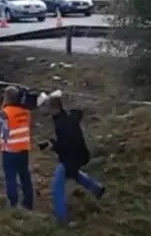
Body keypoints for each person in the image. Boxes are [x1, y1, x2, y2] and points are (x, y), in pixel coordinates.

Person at [39, 95, 106, 224]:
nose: (44, 110)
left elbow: (67, 144)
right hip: (79, 155)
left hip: (72, 157)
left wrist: (54, 147)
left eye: (46, 107)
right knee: (73, 173)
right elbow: (69, 138)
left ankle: (62, 218)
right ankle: (97, 189)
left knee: (57, 186)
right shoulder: (64, 118)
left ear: (53, 108)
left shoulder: (61, 123)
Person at [0, 86, 34, 210]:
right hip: (23, 148)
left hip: (10, 150)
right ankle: (28, 203)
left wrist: (4, 104)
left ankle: (13, 204)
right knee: (25, 176)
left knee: (10, 177)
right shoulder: (26, 112)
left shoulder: (5, 112)